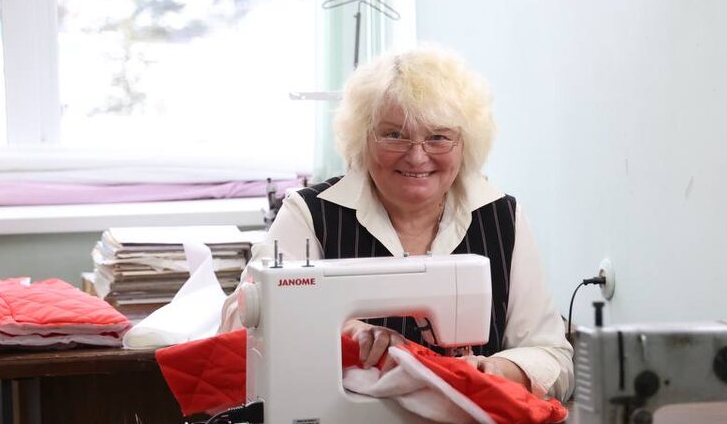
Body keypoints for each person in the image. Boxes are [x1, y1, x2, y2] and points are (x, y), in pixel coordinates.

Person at [220, 44, 572, 401]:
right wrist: (343, 331)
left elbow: (552, 356)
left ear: (465, 142)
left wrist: (499, 371)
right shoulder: (310, 214)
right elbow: (238, 325)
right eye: (394, 134)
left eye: (438, 137)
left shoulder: (502, 217)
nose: (417, 156)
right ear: (363, 137)